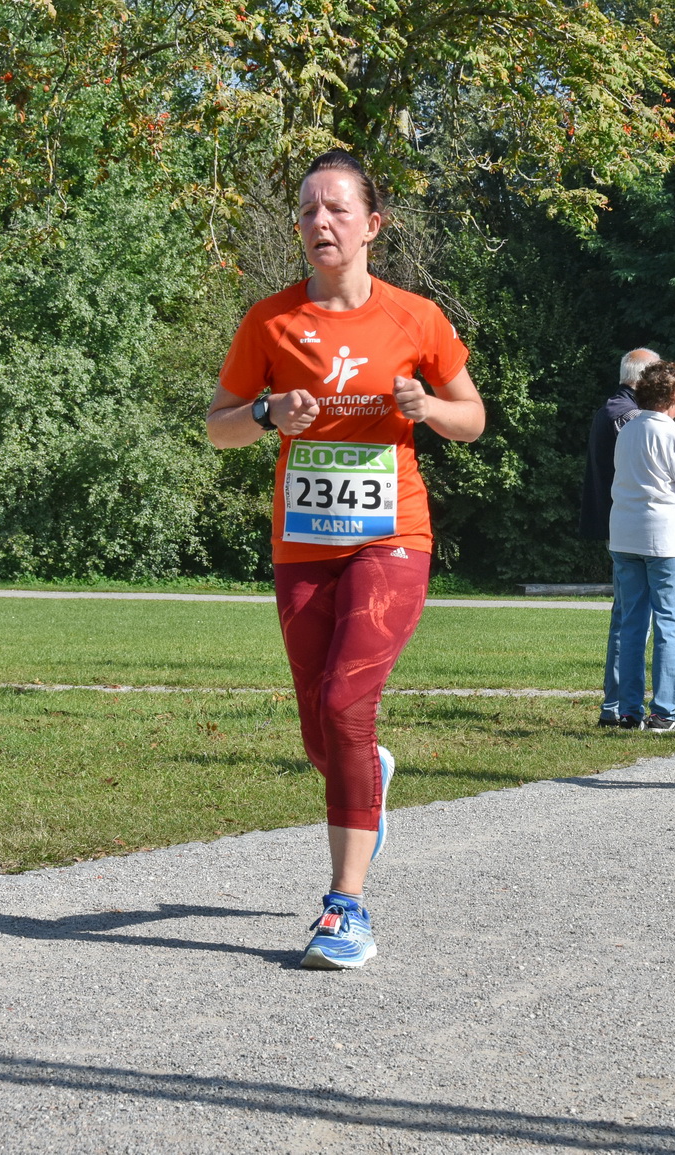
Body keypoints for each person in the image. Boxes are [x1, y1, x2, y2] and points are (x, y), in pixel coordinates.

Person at [207, 149, 486, 969]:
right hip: (302, 546)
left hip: (391, 536)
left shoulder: (416, 318)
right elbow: (218, 424)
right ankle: (369, 773)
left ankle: (346, 908)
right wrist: (265, 411)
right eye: (305, 211)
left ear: (373, 225)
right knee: (321, 728)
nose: (318, 222)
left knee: (344, 701)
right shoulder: (270, 321)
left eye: (334, 209)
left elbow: (472, 418)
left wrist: (427, 405)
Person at [608, 360, 675, 731]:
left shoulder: (627, 430)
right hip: (665, 540)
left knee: (633, 626)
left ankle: (628, 711)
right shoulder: (673, 435)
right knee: (669, 627)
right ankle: (665, 712)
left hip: (624, 535)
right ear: (674, 396)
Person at [581, 348, 661, 727]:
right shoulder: (626, 415)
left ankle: (617, 705)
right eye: (657, 376)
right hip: (630, 527)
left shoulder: (614, 409)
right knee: (631, 620)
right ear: (643, 378)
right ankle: (616, 706)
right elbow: (655, 464)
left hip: (622, 525)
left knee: (628, 617)